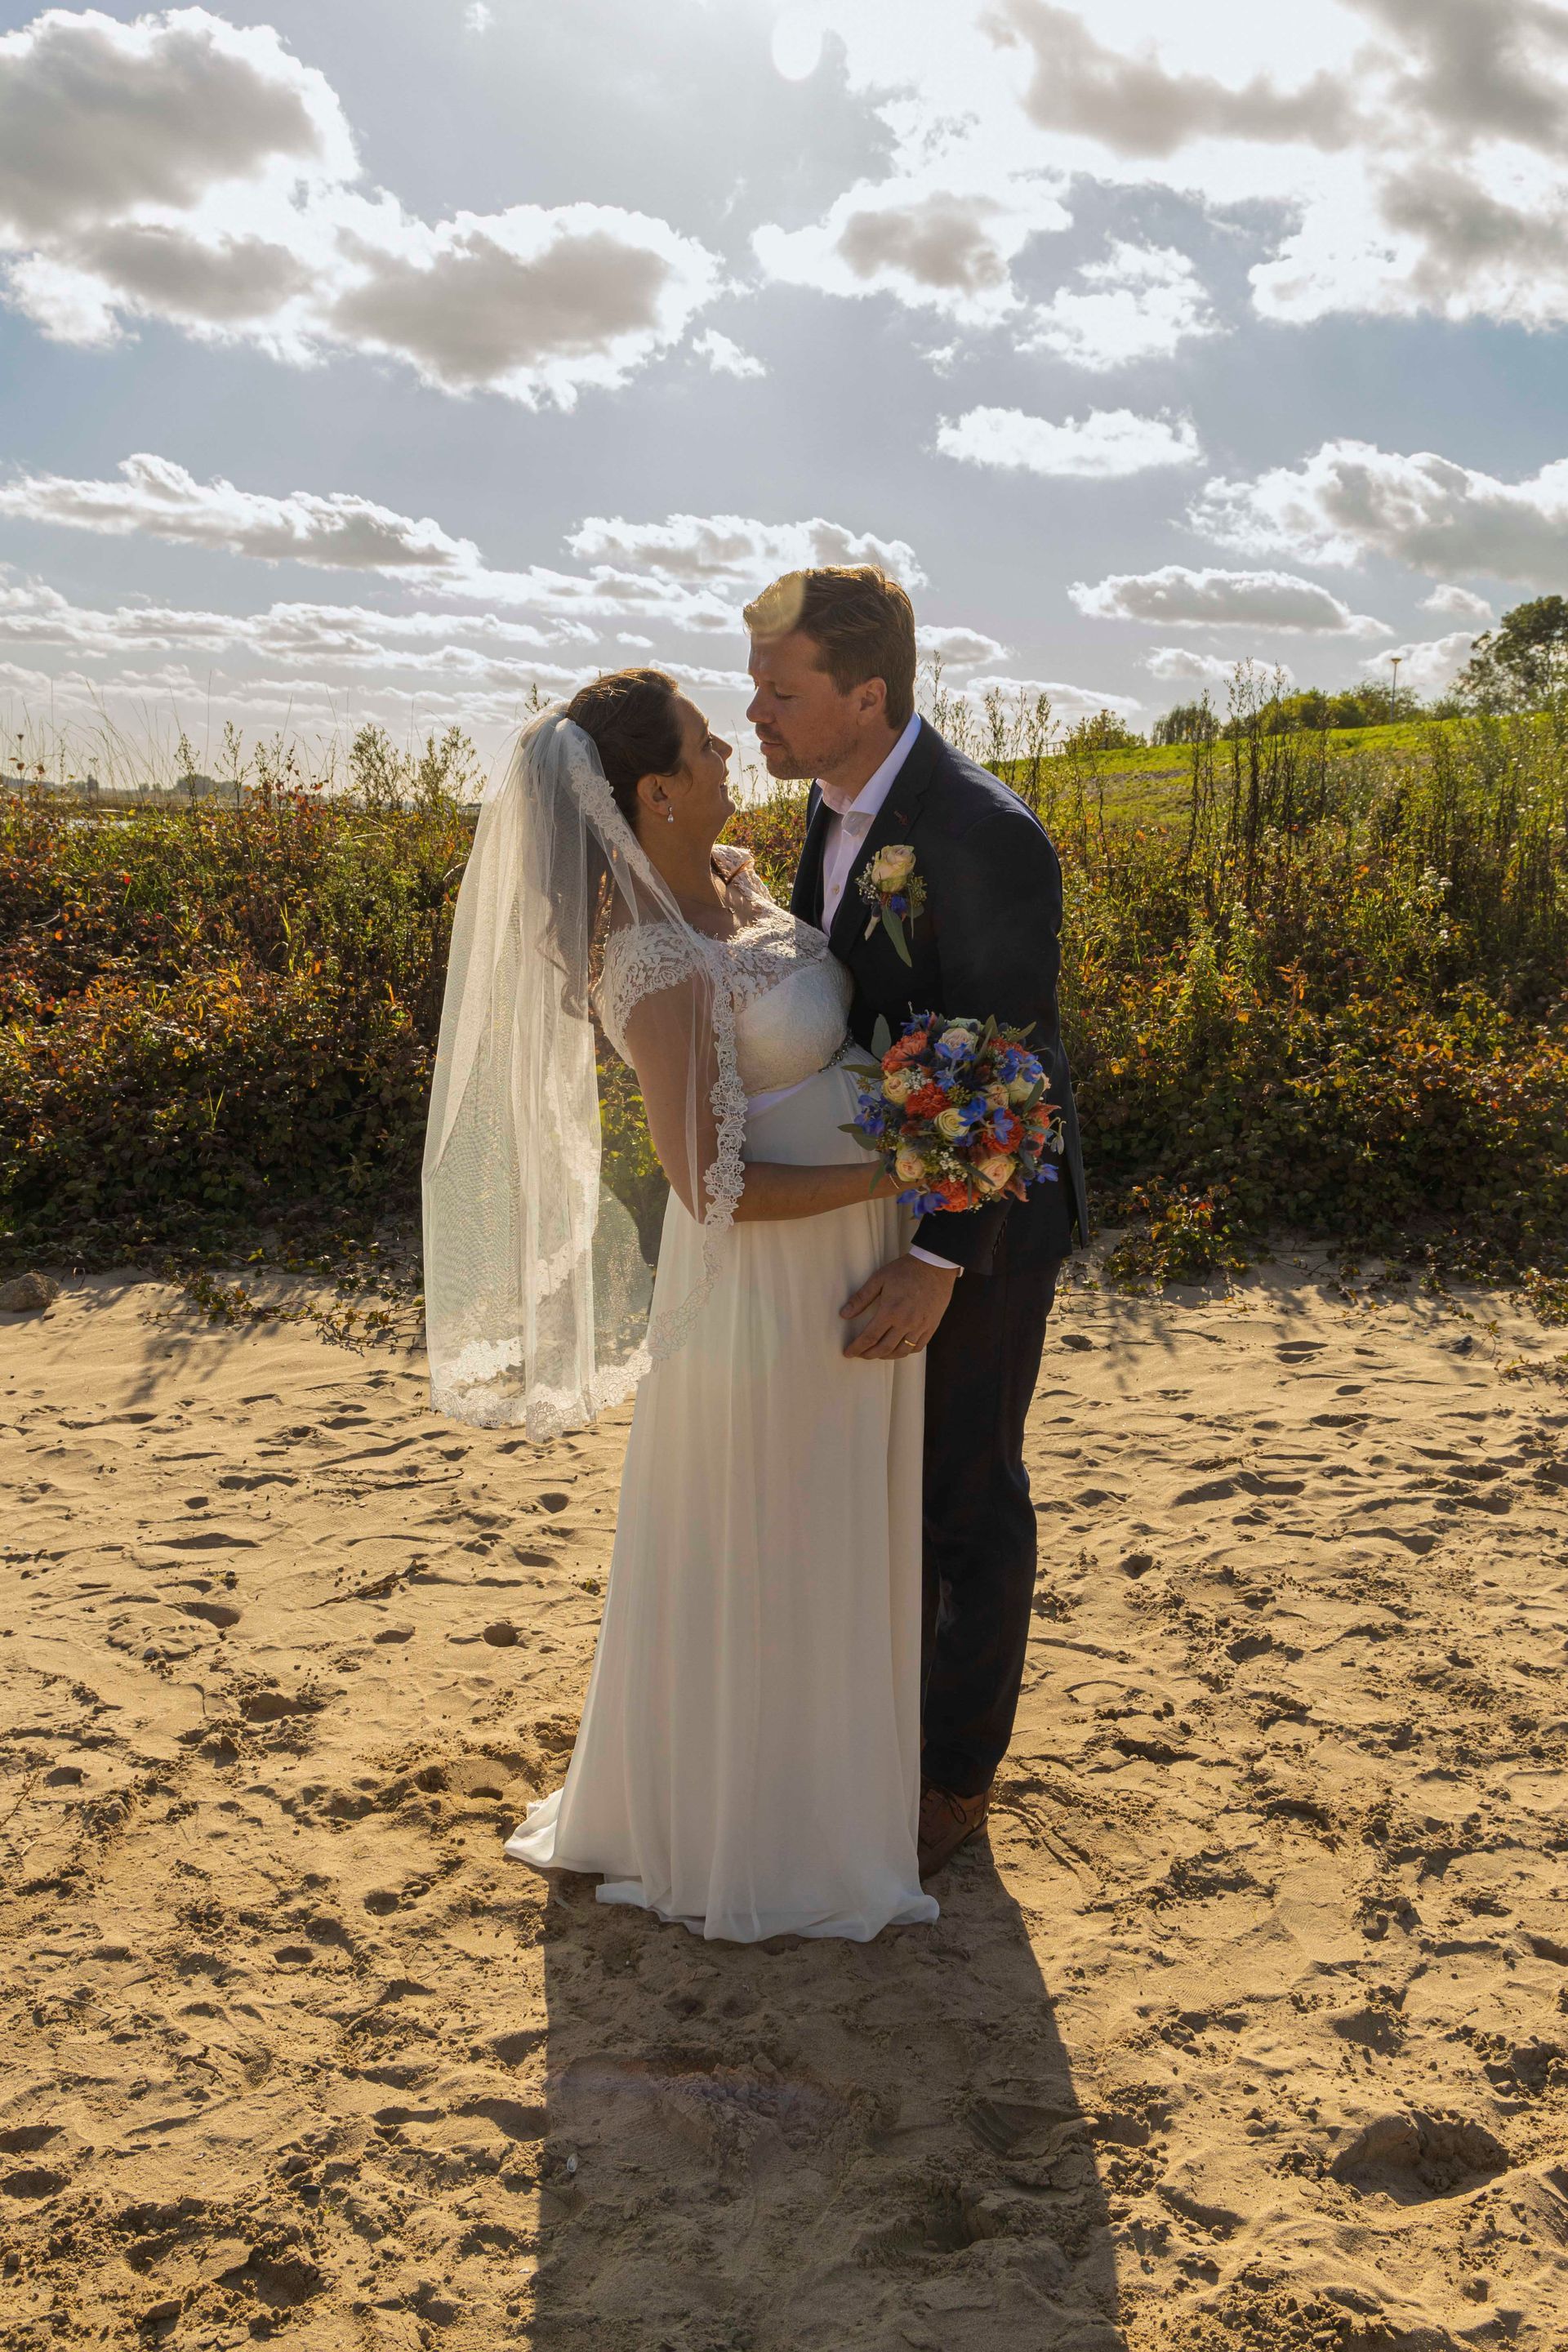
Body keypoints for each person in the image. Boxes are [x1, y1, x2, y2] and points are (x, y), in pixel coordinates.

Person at [422, 670, 938, 1942]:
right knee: (768, 1542)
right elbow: (711, 1191)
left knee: (833, 1530)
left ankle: (836, 1798)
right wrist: (901, 1168)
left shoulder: (744, 883)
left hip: (847, 1270)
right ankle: (752, 1836)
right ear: (654, 790)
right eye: (709, 742)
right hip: (762, 1298)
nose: (732, 748)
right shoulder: (650, 960)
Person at [747, 567, 1086, 1877]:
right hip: (875, 1202)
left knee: (967, 1494)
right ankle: (887, 1726)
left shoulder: (982, 831)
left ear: (867, 694)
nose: (758, 713)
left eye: (783, 691)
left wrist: (945, 1259)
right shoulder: (832, 815)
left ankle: (954, 1782)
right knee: (881, 1491)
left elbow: (1016, 1061)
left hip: (982, 1228)